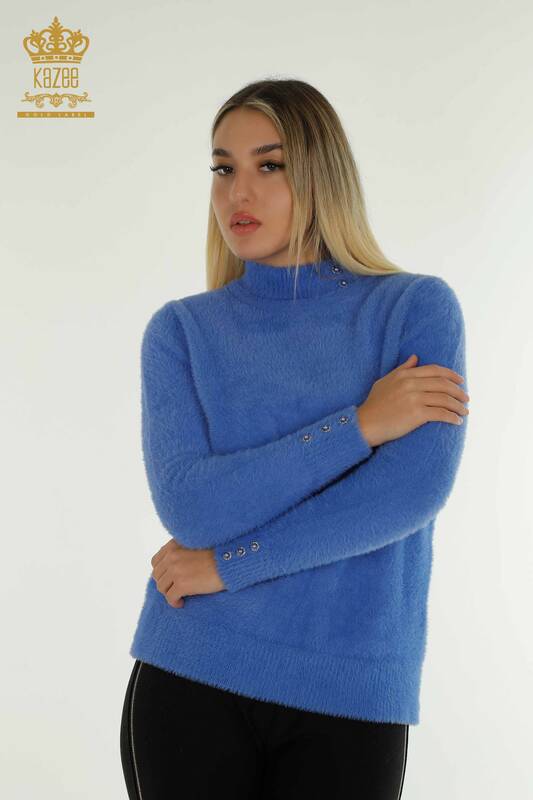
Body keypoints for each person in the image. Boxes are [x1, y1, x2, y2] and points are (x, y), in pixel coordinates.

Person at [120, 78, 469, 799]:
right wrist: (361, 425)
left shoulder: (413, 309)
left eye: (268, 165)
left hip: (352, 691)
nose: (237, 192)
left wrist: (230, 565)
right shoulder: (182, 332)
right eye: (223, 168)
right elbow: (192, 508)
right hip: (192, 674)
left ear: (321, 174)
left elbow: (406, 494)